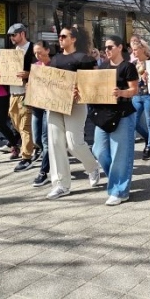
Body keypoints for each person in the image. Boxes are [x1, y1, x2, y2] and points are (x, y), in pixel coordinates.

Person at [46, 26, 100, 199]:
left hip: (75, 105)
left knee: (74, 143)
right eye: (59, 36)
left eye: (63, 36)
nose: (60, 39)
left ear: (73, 39)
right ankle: (61, 184)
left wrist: (81, 90)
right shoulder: (55, 59)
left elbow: (93, 83)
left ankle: (92, 167)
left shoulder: (84, 58)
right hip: (54, 104)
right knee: (55, 143)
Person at [92, 36, 139, 205]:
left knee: (120, 153)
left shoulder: (128, 67)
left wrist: (121, 93)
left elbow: (134, 90)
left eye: (110, 47)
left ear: (120, 47)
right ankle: (118, 177)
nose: (107, 50)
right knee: (99, 151)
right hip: (104, 114)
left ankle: (119, 191)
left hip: (123, 114)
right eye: (105, 48)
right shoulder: (102, 67)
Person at [5, 23, 36, 172]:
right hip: (13, 93)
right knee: (15, 123)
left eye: (13, 35)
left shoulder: (34, 49)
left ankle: (26, 157)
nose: (11, 38)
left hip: (27, 92)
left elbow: (45, 69)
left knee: (25, 126)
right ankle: (37, 145)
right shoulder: (12, 52)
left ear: (22, 34)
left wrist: (29, 74)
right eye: (11, 35)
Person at [31, 41, 52, 186]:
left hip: (50, 106)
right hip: (37, 104)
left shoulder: (55, 65)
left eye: (40, 52)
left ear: (48, 50)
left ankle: (43, 172)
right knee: (36, 138)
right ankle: (56, 154)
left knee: (45, 140)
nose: (37, 55)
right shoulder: (36, 66)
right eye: (35, 53)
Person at [131, 40, 150, 160]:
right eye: (133, 50)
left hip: (148, 95)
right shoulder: (134, 63)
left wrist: (149, 77)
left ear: (142, 49)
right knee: (134, 121)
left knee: (149, 121)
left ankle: (149, 147)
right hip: (136, 95)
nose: (133, 52)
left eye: (135, 49)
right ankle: (147, 137)